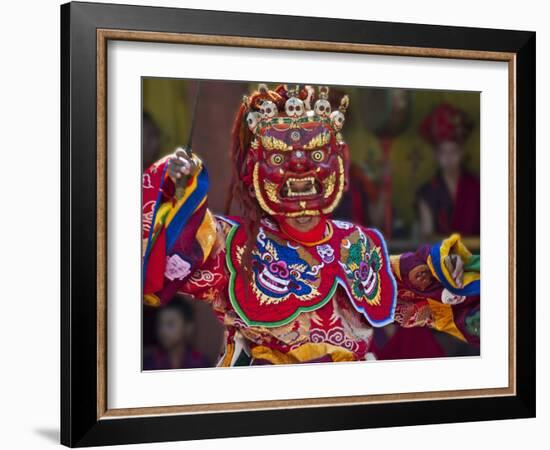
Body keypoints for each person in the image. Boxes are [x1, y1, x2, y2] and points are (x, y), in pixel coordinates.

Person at [142, 84, 479, 366]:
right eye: (278, 159)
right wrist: (174, 187)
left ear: (339, 162)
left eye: (316, 156)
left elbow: (399, 290)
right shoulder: (237, 245)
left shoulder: (356, 242)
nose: (300, 169)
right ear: (254, 172)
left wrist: (444, 271)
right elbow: (171, 247)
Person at [417, 103, 480, 238]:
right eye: (443, 153)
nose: (448, 158)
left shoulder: (477, 187)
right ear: (436, 156)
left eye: (453, 152)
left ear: (462, 153)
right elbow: (427, 236)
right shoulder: (427, 192)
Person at [143, 296, 211, 370]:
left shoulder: (201, 364)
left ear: (187, 328)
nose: (163, 330)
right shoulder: (149, 363)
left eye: (170, 324)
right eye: (160, 324)